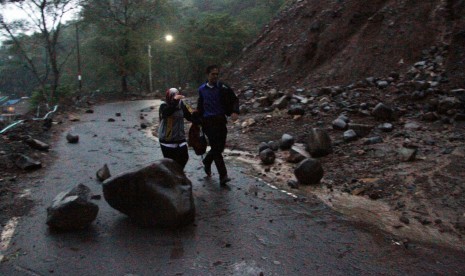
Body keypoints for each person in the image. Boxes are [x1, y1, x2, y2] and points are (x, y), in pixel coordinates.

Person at [197, 65, 239, 185]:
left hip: (221, 120)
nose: (215, 76)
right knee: (216, 148)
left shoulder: (223, 87)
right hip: (208, 122)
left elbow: (234, 99)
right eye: (213, 74)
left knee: (219, 148)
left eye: (217, 74)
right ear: (207, 75)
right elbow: (200, 106)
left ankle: (207, 161)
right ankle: (223, 175)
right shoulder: (202, 90)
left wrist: (235, 111)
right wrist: (197, 121)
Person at [158, 88, 193, 170]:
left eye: (177, 95)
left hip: (180, 137)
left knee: (184, 157)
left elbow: (189, 116)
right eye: (173, 95)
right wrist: (174, 102)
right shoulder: (164, 105)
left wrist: (200, 119)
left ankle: (178, 173)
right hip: (167, 139)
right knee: (170, 163)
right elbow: (166, 113)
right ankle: (174, 177)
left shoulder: (182, 105)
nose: (175, 97)